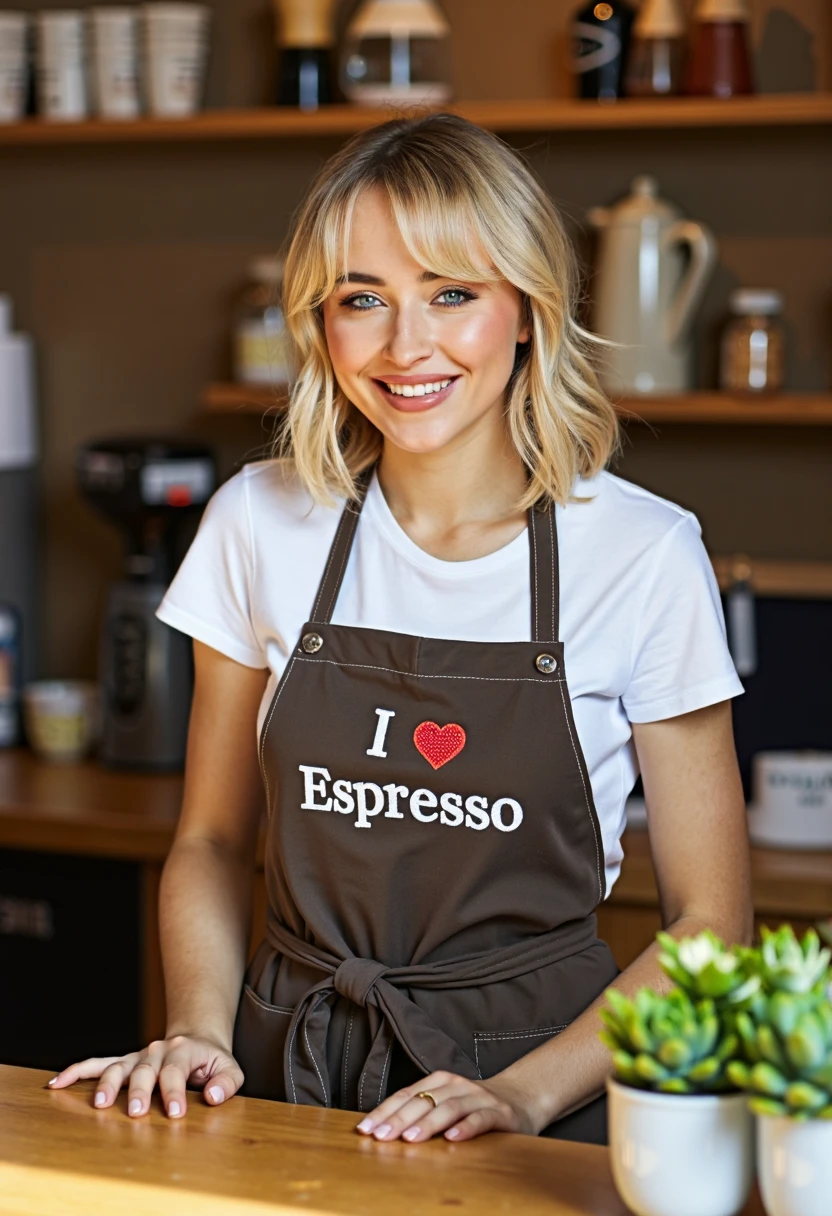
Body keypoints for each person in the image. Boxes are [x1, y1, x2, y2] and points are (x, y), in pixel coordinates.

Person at [49, 114, 752, 1145]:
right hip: (284, 1074)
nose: (404, 345)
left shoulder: (640, 554)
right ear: (319, 322)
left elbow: (711, 926)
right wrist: (198, 1028)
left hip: (537, 1099)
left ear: (526, 310)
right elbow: (206, 839)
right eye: (362, 300)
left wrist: (523, 1093)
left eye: (452, 294)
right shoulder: (258, 521)